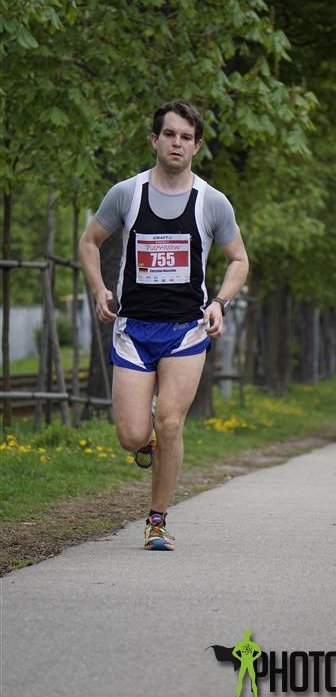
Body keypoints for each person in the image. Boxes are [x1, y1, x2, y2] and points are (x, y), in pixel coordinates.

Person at [79, 99, 249, 550]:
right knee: (132, 435)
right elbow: (89, 242)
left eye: (186, 137)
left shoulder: (211, 202)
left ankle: (157, 520)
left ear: (196, 146)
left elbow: (238, 259)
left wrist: (220, 303)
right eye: (170, 134)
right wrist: (98, 289)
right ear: (154, 140)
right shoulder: (126, 194)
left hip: (186, 331)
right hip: (133, 330)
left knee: (170, 422)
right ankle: (147, 439)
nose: (177, 143)